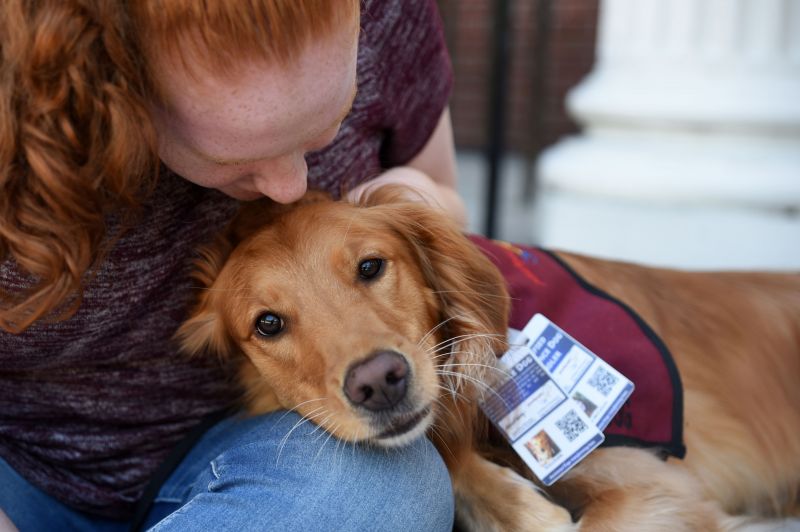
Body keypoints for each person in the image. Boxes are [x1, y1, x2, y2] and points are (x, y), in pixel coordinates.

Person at [0, 0, 462, 529]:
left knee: (387, 490)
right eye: (232, 161)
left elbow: (442, 191)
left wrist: (410, 204)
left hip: (252, 460)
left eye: (326, 128)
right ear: (123, 85)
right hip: (20, 475)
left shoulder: (388, 14)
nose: (291, 187)